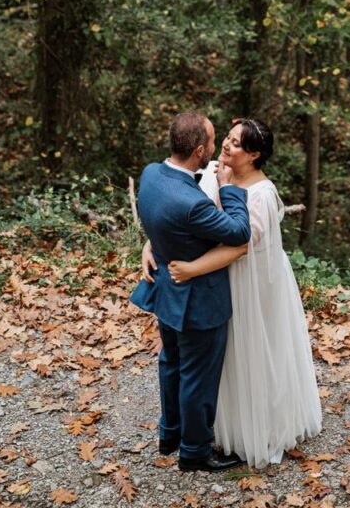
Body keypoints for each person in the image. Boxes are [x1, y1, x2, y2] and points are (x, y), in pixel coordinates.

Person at [141, 118, 322, 469]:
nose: (226, 145)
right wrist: (153, 243)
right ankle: (204, 432)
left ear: (254, 155)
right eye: (225, 137)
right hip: (211, 281)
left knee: (247, 352)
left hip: (249, 281)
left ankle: (246, 428)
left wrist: (191, 268)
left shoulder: (263, 195)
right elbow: (177, 214)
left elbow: (238, 245)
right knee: (202, 362)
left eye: (237, 144)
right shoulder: (210, 170)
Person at [130, 111, 252, 473]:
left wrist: (151, 243)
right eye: (214, 142)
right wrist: (229, 187)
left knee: (171, 364)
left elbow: (156, 216)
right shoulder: (193, 204)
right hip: (198, 301)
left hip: (165, 291)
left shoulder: (152, 173)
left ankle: (170, 434)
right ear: (200, 150)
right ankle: (195, 451)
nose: (218, 148)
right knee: (197, 376)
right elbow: (238, 232)